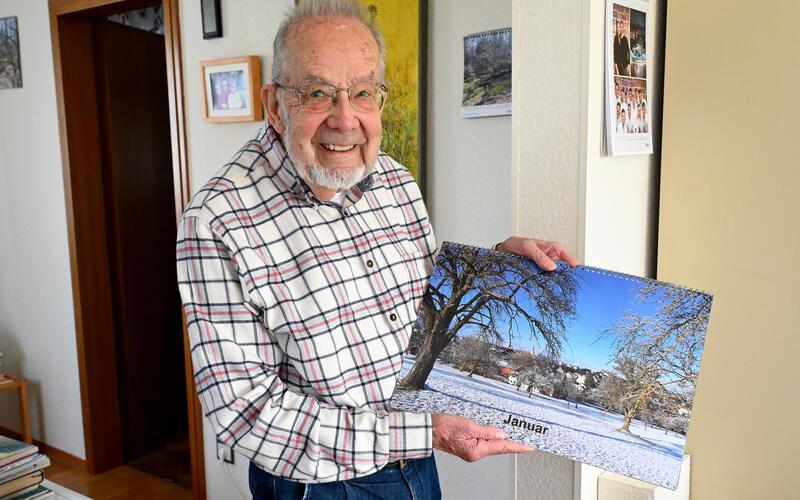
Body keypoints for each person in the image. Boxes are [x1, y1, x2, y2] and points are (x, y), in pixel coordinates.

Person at [176, 1, 577, 498]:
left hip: (418, 465)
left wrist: (499, 267)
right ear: (275, 105)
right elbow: (247, 416)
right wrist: (425, 430)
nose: (345, 120)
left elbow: (426, 314)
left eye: (363, 92)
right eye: (318, 93)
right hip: (317, 487)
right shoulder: (216, 221)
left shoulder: (394, 180)